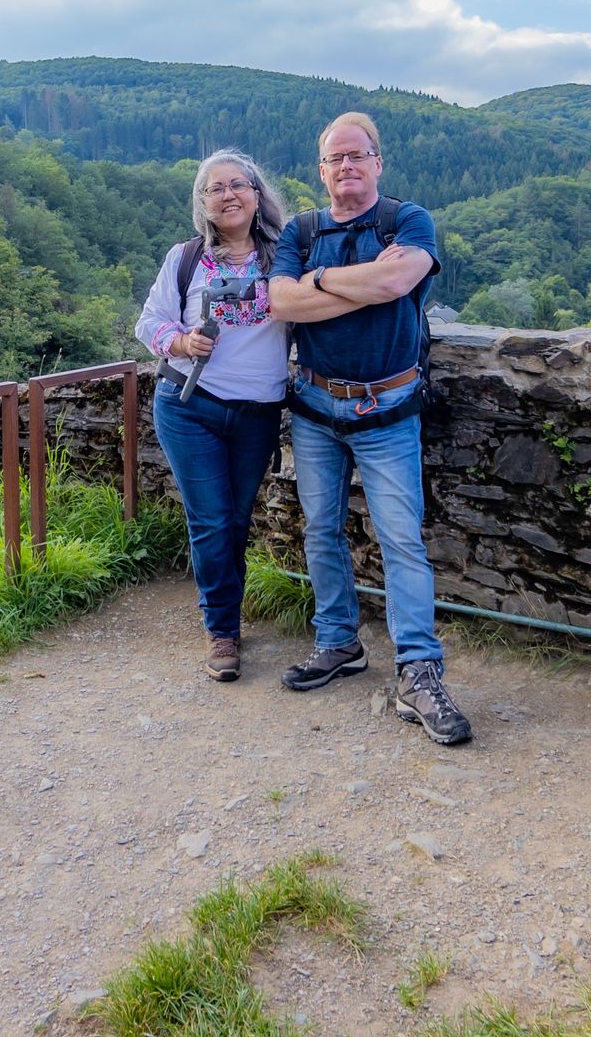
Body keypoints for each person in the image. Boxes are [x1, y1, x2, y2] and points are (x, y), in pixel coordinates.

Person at [267, 112, 472, 745]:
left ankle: (419, 670)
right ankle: (338, 644)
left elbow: (396, 278)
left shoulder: (408, 221)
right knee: (321, 531)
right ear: (321, 170)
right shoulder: (299, 230)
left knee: (401, 539)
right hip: (314, 408)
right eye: (336, 158)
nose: (348, 166)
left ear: (378, 163)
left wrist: (322, 280)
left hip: (388, 409)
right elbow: (280, 302)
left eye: (359, 155)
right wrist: (366, 286)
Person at [135, 149, 290, 681]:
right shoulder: (186, 258)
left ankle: (226, 615)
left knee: (238, 520)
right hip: (188, 405)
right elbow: (148, 322)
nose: (228, 194)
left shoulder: (285, 254)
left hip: (257, 412)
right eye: (215, 188)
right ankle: (222, 630)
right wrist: (179, 341)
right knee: (212, 521)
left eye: (238, 184)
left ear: (256, 192)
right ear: (202, 202)